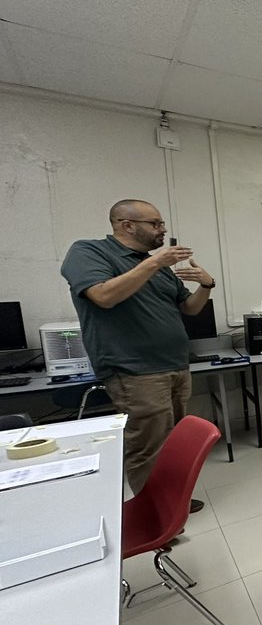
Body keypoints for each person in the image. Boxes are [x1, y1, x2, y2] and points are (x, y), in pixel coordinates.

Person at [60, 199, 216, 509]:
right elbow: (103, 296)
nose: (163, 229)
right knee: (148, 444)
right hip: (134, 369)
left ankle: (173, 500)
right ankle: (153, 511)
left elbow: (190, 309)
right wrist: (156, 262)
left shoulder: (157, 267)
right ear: (126, 225)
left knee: (173, 441)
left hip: (174, 365)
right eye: (155, 224)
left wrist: (207, 285)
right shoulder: (89, 252)